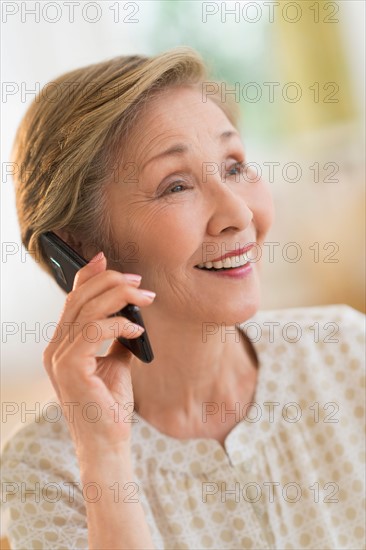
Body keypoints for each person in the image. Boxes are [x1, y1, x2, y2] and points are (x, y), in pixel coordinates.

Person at [1, 47, 365, 550]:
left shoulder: (349, 352)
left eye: (234, 165)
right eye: (176, 186)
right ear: (78, 249)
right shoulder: (45, 472)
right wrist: (103, 453)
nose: (237, 212)